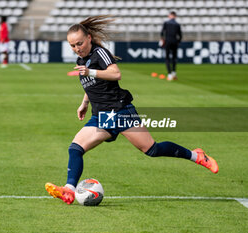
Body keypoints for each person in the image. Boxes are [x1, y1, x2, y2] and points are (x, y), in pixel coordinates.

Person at [45, 15, 218, 205]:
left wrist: (91, 71)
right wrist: (84, 103)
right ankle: (68, 190)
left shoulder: (99, 53)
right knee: (75, 149)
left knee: (152, 149)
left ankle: (197, 156)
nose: (77, 48)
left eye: (79, 43)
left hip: (120, 111)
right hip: (101, 116)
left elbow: (116, 73)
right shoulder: (81, 59)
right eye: (72, 45)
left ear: (89, 38)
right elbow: (92, 85)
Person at [161, 11, 182, 81]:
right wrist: (178, 42)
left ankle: (169, 74)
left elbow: (162, 33)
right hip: (174, 42)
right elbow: (180, 35)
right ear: (175, 16)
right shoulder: (177, 24)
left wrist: (162, 40)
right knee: (174, 58)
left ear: (170, 16)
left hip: (168, 41)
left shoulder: (166, 23)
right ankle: (174, 73)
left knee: (167, 58)